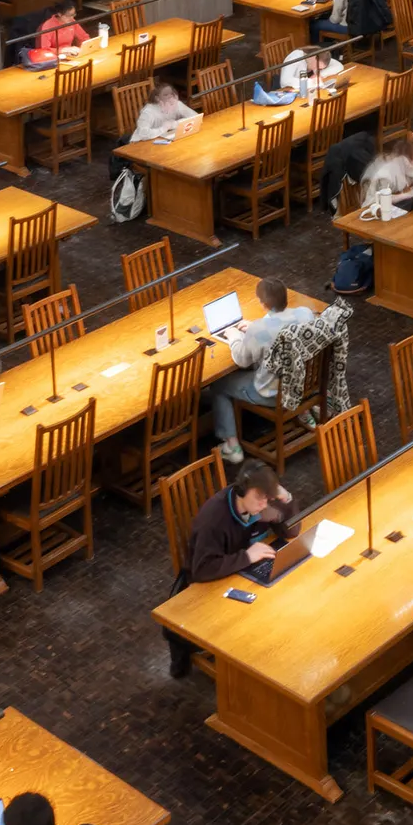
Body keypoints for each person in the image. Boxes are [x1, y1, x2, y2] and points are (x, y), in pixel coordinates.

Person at [168, 459, 298, 677]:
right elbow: (202, 569)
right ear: (241, 491)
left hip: (243, 573)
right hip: (214, 584)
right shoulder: (214, 519)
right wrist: (247, 556)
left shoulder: (263, 503)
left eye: (267, 497)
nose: (264, 504)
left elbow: (292, 532)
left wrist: (285, 503)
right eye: (259, 498)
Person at [211, 280, 315, 464]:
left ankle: (232, 446)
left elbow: (241, 359)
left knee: (219, 385)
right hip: (302, 383)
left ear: (263, 304)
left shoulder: (260, 329)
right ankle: (304, 412)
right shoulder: (305, 315)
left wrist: (234, 336)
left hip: (274, 394)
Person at [360, 140, 413, 206]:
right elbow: (381, 199)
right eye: (412, 160)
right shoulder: (385, 176)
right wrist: (407, 195)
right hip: (373, 208)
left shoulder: (403, 163)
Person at [127, 81, 196, 143]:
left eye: (171, 94)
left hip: (163, 140)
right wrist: (163, 128)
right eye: (165, 95)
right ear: (157, 98)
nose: (170, 97)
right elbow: (143, 133)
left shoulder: (177, 104)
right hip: (141, 143)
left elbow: (195, 117)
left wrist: (175, 124)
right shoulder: (148, 112)